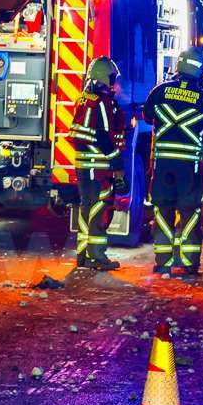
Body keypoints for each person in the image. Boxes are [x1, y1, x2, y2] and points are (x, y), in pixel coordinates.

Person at [142, 49, 203, 276]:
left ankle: (162, 262)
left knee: (162, 211)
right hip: (189, 169)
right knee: (190, 214)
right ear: (199, 71)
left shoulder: (159, 91)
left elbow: (147, 116)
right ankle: (188, 263)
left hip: (162, 166)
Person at [69, 56, 126, 271]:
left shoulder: (85, 98)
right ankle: (97, 256)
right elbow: (103, 136)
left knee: (86, 208)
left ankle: (83, 255)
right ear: (105, 77)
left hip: (84, 165)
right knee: (99, 209)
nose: (115, 83)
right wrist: (117, 164)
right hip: (97, 166)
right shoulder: (102, 102)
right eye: (113, 78)